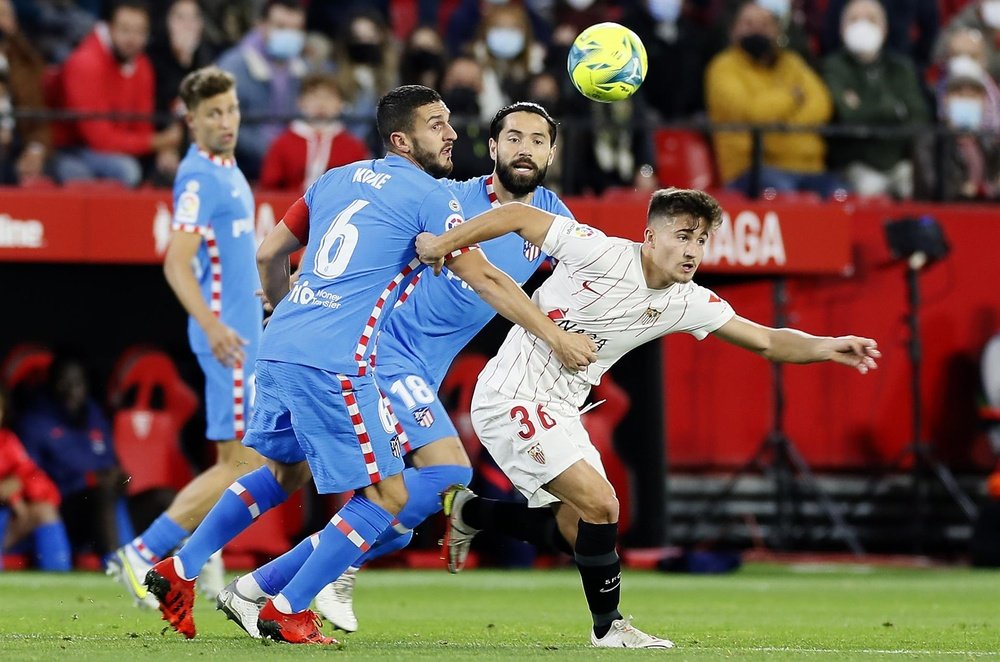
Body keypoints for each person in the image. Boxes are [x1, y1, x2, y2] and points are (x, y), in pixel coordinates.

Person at [142, 85, 596, 644]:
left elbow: (267, 254)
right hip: (346, 358)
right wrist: (554, 337)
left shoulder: (335, 178)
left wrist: (285, 306)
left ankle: (180, 569)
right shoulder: (437, 196)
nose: (452, 134)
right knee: (395, 497)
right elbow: (485, 278)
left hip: (282, 342)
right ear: (404, 138)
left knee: (285, 474)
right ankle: (288, 602)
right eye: (438, 124)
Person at [414, 187, 880, 649]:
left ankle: (470, 510)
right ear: (649, 237)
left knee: (579, 529)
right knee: (604, 505)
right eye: (682, 236)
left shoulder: (687, 299)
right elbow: (516, 213)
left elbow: (766, 341)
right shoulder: (597, 251)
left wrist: (826, 346)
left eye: (701, 240)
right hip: (510, 394)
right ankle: (609, 628)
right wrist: (441, 244)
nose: (692, 250)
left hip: (562, 407)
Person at [106, 66, 265, 609]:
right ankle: (142, 554)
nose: (226, 122)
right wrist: (216, 324)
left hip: (244, 331)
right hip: (229, 339)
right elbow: (176, 262)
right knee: (243, 465)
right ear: (190, 120)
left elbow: (232, 259)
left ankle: (202, 556)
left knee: (243, 459)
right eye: (213, 114)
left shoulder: (228, 167)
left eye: (231, 110)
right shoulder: (198, 177)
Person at [705, 1, 838, 197]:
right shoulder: (723, 68)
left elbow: (822, 105)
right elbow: (753, 112)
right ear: (733, 31)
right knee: (783, 196)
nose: (757, 30)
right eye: (749, 24)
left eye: (765, 25)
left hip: (810, 168)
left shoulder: (792, 63)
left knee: (843, 193)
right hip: (752, 170)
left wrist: (779, 125)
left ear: (777, 31)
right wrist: (792, 98)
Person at [52, 0, 182, 187]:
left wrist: (164, 150)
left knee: (170, 168)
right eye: (125, 30)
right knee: (126, 170)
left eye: (140, 32)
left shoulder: (141, 64)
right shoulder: (85, 63)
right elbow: (99, 139)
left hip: (117, 147)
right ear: (108, 27)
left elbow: (142, 124)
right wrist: (158, 142)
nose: (132, 39)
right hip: (72, 148)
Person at [16, 355, 129, 559]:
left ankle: (179, 571)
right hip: (65, 511)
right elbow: (30, 480)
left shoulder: (95, 415)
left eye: (77, 383)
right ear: (50, 384)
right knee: (100, 494)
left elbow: (112, 464)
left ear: (86, 385)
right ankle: (118, 567)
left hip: (108, 508)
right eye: (63, 382)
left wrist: (120, 477)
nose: (70, 390)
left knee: (161, 497)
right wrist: (87, 481)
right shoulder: (35, 421)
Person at [821, 0, 929, 199]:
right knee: (871, 189)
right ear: (842, 28)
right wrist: (895, 110)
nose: (863, 26)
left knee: (917, 186)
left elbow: (918, 117)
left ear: (884, 28)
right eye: (854, 19)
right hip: (855, 163)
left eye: (871, 19)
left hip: (898, 161)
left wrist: (864, 109)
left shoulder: (900, 68)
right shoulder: (833, 67)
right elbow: (849, 116)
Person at [215, 0, 308, 180]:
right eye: (281, 26)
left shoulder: (304, 68)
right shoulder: (232, 67)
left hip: (289, 161)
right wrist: (275, 150)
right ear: (261, 25)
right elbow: (224, 125)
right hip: (243, 165)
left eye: (295, 29)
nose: (289, 34)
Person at [259, 73, 370, 193]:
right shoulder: (282, 144)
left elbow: (363, 189)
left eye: (329, 97)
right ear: (300, 102)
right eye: (314, 97)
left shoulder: (354, 146)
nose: (321, 104)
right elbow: (269, 188)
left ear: (340, 104)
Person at [0, 387, 71, 571]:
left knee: (44, 511)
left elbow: (33, 476)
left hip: (6, 523)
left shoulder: (7, 440)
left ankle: (60, 582)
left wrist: (17, 485)